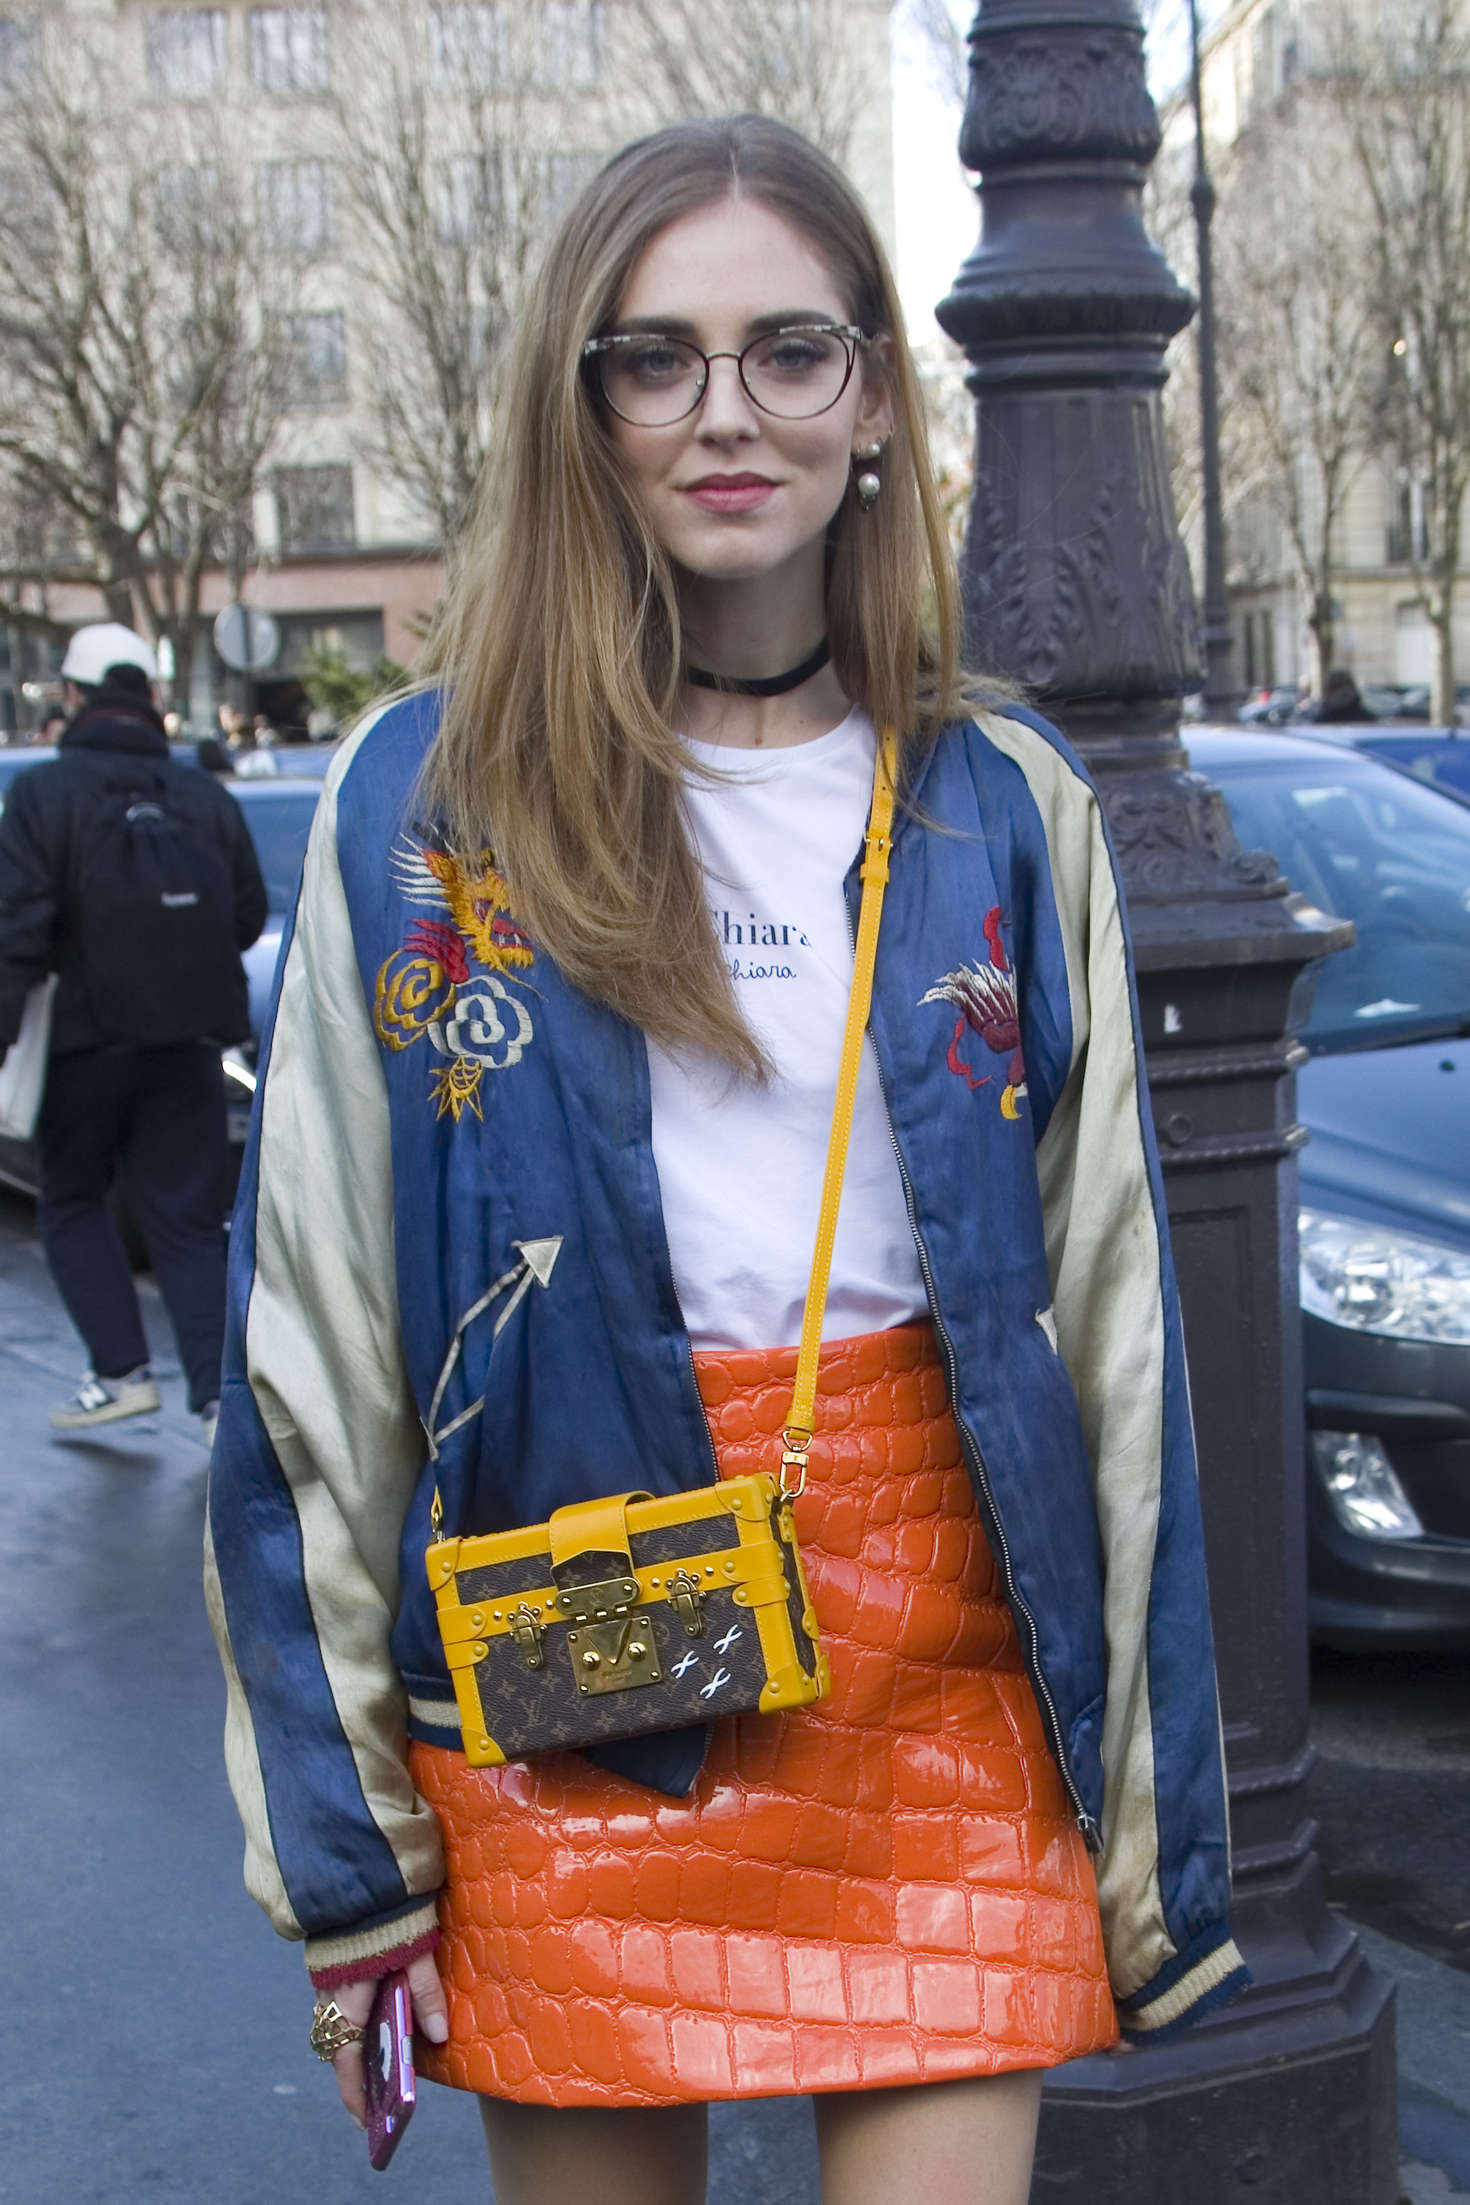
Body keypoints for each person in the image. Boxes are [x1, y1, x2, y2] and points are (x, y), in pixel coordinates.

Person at [205, 118, 1245, 2205]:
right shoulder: (430, 799)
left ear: (871, 392)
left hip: (947, 1653)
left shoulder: (1001, 799)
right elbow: (309, 1343)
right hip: (578, 1633)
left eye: (787, 349)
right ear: (580, 408)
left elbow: (1118, 1330)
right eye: (656, 359)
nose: (727, 412)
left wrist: (1161, 1815)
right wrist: (350, 1859)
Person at [0, 620, 266, 1439]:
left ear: (74, 696)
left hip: (84, 1038)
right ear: (151, 698)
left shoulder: (45, 792)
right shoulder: (203, 795)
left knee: (73, 1199)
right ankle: (221, 1400)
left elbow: (18, 923)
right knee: (186, 1218)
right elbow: (249, 914)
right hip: (188, 1041)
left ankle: (119, 1372)